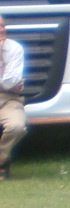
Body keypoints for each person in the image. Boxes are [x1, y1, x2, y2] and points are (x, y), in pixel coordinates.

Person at [0, 13, 26, 180]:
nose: (2, 30)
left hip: (9, 100)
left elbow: (12, 81)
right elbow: (10, 82)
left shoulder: (15, 48)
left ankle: (1, 162)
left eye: (3, 26)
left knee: (17, 127)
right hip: (9, 91)